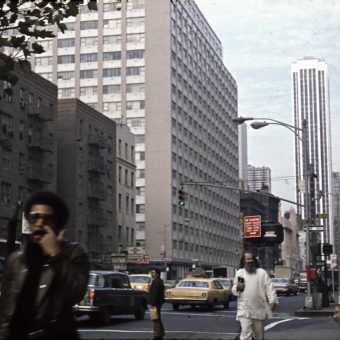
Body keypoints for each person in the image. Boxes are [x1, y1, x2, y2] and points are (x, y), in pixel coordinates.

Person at [0, 191, 89, 339]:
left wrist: (55, 255)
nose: (40, 223)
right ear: (28, 221)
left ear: (57, 223)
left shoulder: (73, 253)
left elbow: (75, 293)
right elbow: (5, 308)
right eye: (34, 217)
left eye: (47, 218)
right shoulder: (15, 259)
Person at [232, 250, 278, 340]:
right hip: (244, 310)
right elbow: (236, 289)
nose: (250, 261)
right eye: (247, 259)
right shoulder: (240, 273)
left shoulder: (261, 273)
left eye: (251, 259)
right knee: (245, 335)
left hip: (259, 309)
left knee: (259, 336)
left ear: (254, 260)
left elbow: (269, 287)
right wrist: (238, 287)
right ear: (244, 261)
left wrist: (273, 301)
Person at [149, 268, 165, 340]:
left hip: (156, 303)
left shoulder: (156, 282)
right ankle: (160, 334)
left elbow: (155, 294)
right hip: (158, 302)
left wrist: (152, 303)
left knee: (156, 319)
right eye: (151, 272)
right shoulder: (158, 281)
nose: (151, 274)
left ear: (157, 274)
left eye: (153, 272)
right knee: (157, 318)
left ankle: (157, 335)